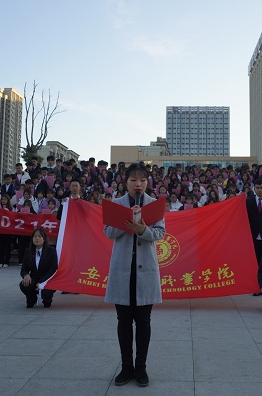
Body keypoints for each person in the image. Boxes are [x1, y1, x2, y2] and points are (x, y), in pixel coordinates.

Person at [104, 163, 166, 387]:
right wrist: (127, 223)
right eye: (133, 180)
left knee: (143, 322)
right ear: (126, 182)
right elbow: (108, 232)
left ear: (147, 182)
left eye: (142, 180)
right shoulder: (116, 204)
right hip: (122, 270)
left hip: (145, 271)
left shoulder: (154, 205)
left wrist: (143, 230)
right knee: (123, 321)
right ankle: (126, 367)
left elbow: (160, 233)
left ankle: (141, 368)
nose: (138, 184)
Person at [19, 228, 58, 308]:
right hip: (34, 278)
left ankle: (47, 300)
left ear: (44, 239)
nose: (37, 238)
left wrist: (41, 282)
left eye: (39, 236)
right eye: (35, 236)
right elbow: (24, 269)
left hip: (47, 279)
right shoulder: (28, 251)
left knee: (46, 294)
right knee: (24, 285)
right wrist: (26, 275)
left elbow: (53, 269)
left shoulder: (51, 251)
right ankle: (32, 299)